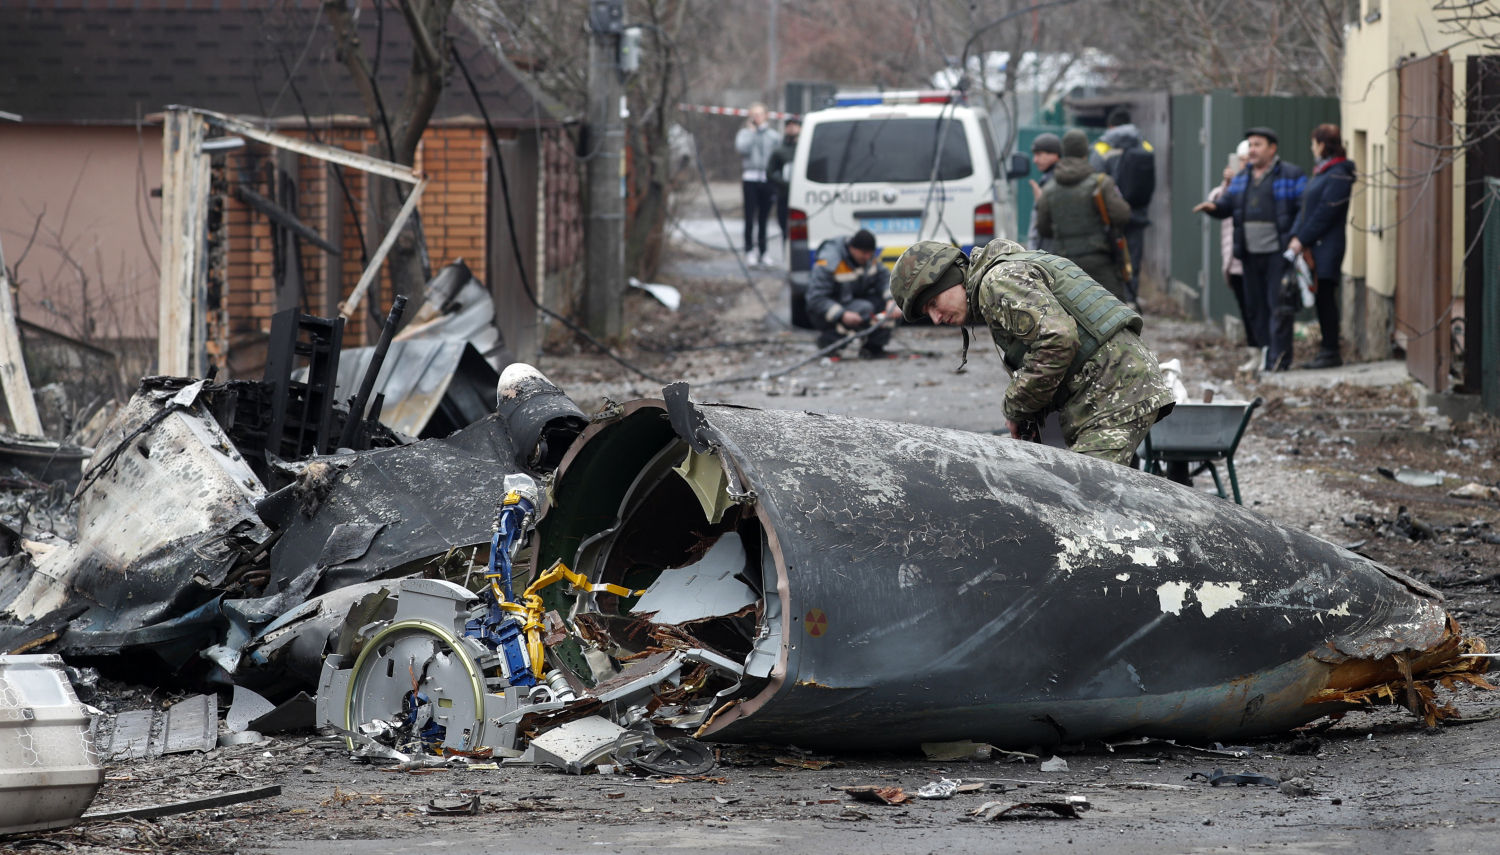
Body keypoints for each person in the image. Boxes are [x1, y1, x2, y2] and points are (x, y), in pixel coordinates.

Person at [889, 238, 1174, 466]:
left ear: (949, 278)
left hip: (1115, 392)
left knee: (1091, 506)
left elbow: (1058, 339)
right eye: (929, 313)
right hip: (1109, 388)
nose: (937, 318)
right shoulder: (1006, 273)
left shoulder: (997, 282)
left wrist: (1015, 407)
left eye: (934, 304)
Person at [1194, 127, 1306, 372]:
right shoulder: (1243, 177)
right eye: (1250, 145)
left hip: (1278, 253)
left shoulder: (1290, 174)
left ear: (1272, 148)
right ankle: (1265, 357)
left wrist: (1296, 238)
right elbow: (1228, 204)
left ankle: (1279, 362)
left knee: (1279, 308)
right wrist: (1213, 207)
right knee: (1256, 308)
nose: (1252, 150)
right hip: (1249, 254)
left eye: (1258, 145)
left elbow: (1303, 209)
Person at [1035, 129, 1133, 301]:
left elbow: (1043, 228)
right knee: (1114, 313)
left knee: (1069, 314)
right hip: (1099, 261)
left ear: (1064, 152)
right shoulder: (1101, 183)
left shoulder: (1049, 188)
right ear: (1085, 152)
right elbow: (1122, 215)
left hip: (1063, 264)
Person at [1287, 124, 1355, 369]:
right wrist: (1297, 235)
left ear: (1323, 144)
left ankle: (1330, 351)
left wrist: (1302, 239)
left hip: (1327, 246)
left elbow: (1325, 212)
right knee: (1321, 298)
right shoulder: (1325, 171)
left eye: (1314, 142)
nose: (1311, 147)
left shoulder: (1338, 173)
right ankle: (1326, 350)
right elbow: (1308, 209)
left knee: (1326, 297)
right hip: (1315, 245)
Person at [1091, 108, 1156, 307]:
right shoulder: (1145, 145)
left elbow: (1094, 179)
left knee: (1110, 258)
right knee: (1133, 260)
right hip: (1138, 212)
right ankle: (1131, 298)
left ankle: (1112, 301)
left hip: (1109, 215)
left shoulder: (1102, 146)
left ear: (1111, 126)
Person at [806, 229, 900, 358]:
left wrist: (891, 300)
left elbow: (884, 279)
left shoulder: (869, 259)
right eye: (864, 253)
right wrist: (841, 314)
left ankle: (873, 348)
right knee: (864, 309)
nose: (867, 257)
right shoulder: (830, 261)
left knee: (894, 308)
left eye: (870, 253)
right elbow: (815, 298)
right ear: (852, 249)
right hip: (832, 309)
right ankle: (829, 343)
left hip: (857, 304)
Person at [1211, 140, 1260, 371]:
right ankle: (1254, 351)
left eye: (1246, 160)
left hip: (1252, 257)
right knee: (1245, 307)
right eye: (1240, 160)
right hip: (1234, 259)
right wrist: (1227, 182)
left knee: (1257, 307)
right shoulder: (1233, 186)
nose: (1243, 164)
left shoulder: (1255, 184)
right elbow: (1216, 204)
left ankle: (1263, 352)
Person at [735, 103, 778, 267]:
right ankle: (749, 250)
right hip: (750, 178)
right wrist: (752, 134)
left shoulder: (773, 136)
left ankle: (763, 250)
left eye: (760, 114)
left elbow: (776, 156)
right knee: (749, 217)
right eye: (754, 114)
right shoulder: (745, 134)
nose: (757, 118)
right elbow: (741, 149)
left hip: (766, 179)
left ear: (766, 115)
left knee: (764, 218)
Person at [767, 116, 801, 247]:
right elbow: (770, 172)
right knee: (784, 229)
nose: (792, 129)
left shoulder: (805, 148)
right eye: (789, 126)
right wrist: (784, 183)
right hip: (784, 195)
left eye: (795, 125)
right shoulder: (779, 151)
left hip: (801, 194)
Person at [1026, 132, 1061, 251]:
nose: (1035, 160)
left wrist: (1041, 203)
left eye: (1039, 154)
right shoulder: (1048, 178)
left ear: (1055, 155)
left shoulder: (1057, 180)